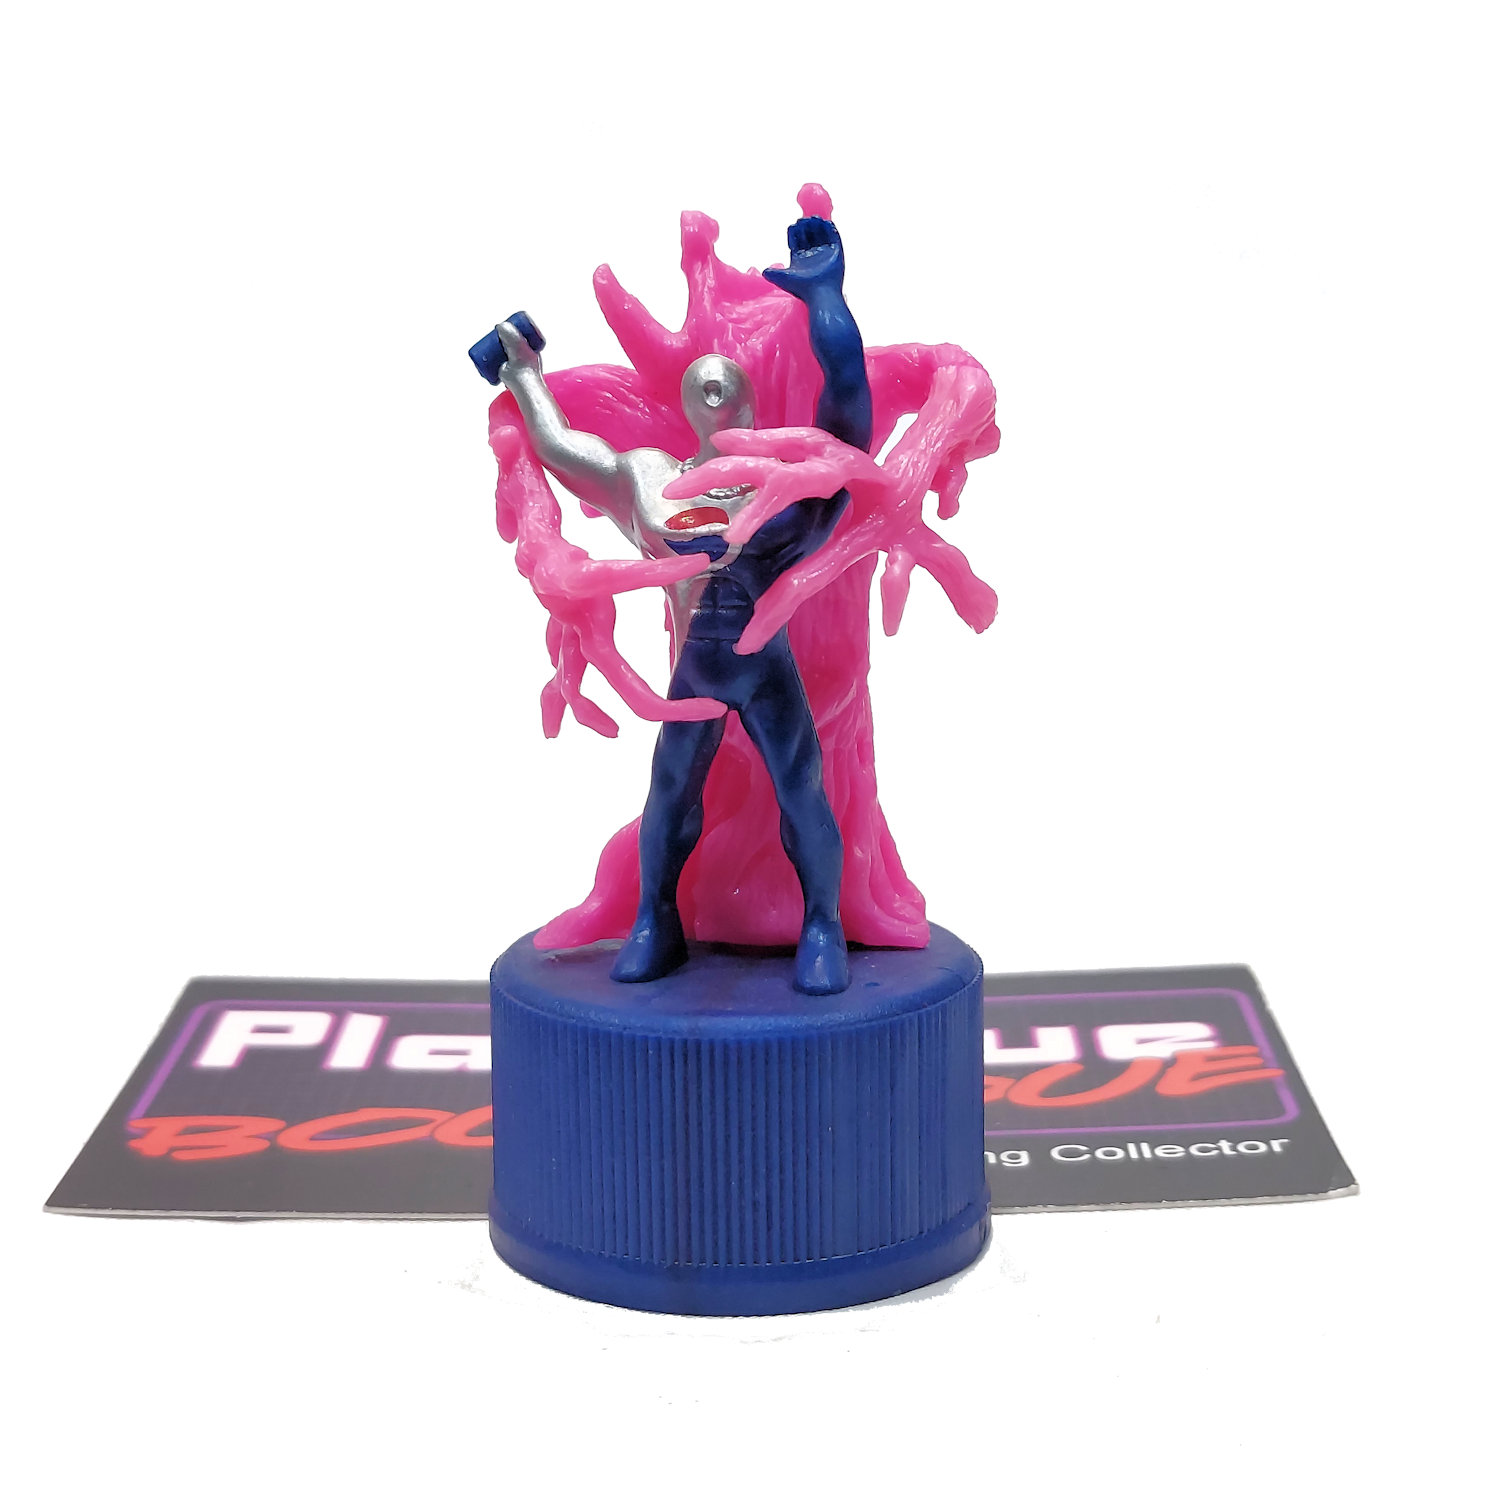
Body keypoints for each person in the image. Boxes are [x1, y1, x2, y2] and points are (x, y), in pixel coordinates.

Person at [493, 214, 873, 994]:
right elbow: (563, 448)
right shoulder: (651, 478)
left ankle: (822, 923)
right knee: (670, 796)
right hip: (695, 668)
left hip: (764, 664)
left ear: (750, 403)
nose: (715, 383)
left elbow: (847, 428)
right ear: (688, 405)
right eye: (702, 380)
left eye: (729, 379)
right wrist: (522, 372)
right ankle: (654, 919)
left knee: (801, 791)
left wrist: (828, 301)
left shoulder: (785, 480)